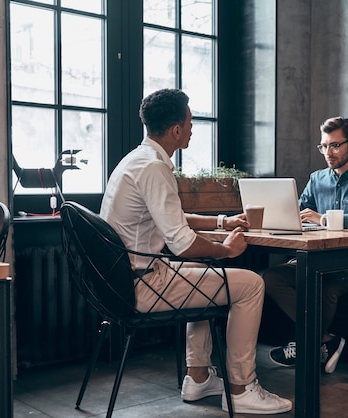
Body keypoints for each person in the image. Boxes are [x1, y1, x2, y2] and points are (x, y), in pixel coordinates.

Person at [99, 88, 292, 415]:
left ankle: (198, 377)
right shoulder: (154, 169)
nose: (192, 128)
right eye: (189, 122)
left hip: (125, 279)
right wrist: (227, 250)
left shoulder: (138, 160)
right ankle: (242, 388)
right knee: (250, 285)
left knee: (209, 275)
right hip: (141, 285)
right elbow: (182, 243)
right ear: (176, 130)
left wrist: (222, 222)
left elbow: (172, 217)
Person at [262, 116, 348, 374]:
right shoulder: (317, 179)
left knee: (326, 288)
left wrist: (325, 219)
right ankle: (323, 340)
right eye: (324, 146)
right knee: (270, 277)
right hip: (314, 259)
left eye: (335, 145)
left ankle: (306, 343)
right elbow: (298, 211)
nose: (328, 153)